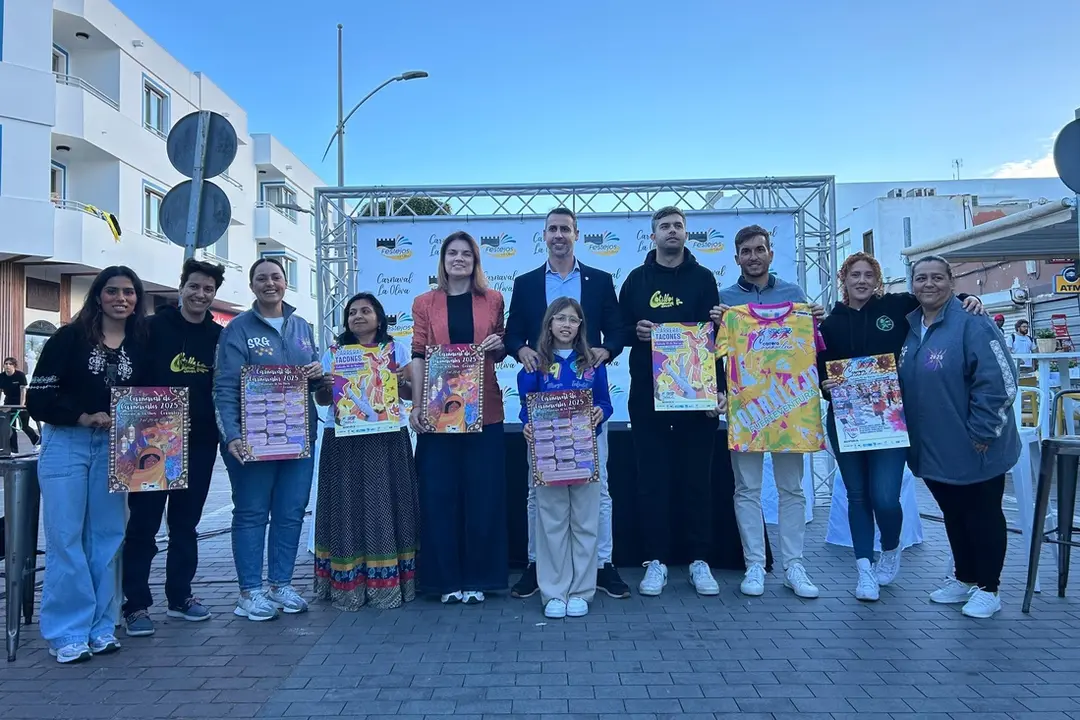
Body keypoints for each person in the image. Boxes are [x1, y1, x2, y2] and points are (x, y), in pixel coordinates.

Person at [816, 252, 981, 601]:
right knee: (857, 495)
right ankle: (864, 569)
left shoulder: (898, 307)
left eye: (868, 275)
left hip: (890, 422)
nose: (861, 281)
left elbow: (938, 299)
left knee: (886, 496)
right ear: (843, 281)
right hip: (847, 422)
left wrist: (970, 298)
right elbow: (819, 373)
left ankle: (890, 548)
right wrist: (825, 387)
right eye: (854, 275)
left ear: (877, 281)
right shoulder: (828, 325)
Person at [26, 266, 149, 664]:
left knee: (109, 537)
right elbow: (38, 399)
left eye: (129, 292)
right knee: (66, 538)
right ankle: (67, 632)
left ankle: (99, 626)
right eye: (112, 291)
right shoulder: (69, 338)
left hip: (120, 448)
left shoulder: (140, 342)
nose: (121, 298)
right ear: (97, 296)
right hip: (68, 445)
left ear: (137, 298)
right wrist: (81, 416)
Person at [505, 207, 628, 600]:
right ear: (544, 235)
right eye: (552, 229)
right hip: (544, 417)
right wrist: (523, 350)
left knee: (599, 491)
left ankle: (601, 566)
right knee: (538, 492)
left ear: (577, 234)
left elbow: (619, 328)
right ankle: (538, 565)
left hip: (586, 409)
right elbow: (512, 335)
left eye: (566, 229)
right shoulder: (525, 283)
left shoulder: (600, 279)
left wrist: (604, 353)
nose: (559, 235)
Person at [898, 255, 1020, 619]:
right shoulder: (911, 326)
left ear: (952, 281)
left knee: (982, 514)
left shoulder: (972, 322)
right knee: (954, 513)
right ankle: (965, 577)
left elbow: (1000, 380)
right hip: (933, 448)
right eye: (921, 278)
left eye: (937, 277)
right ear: (912, 285)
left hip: (975, 444)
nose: (929, 284)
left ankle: (989, 587)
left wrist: (983, 431)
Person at [712, 224, 824, 599]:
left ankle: (795, 564)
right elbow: (714, 356)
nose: (754, 257)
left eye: (760, 249)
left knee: (792, 489)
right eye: (746, 251)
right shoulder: (726, 302)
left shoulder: (796, 296)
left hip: (791, 410)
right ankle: (755, 564)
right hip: (747, 409)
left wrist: (815, 318)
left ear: (771, 253)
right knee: (747, 489)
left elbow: (815, 348)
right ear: (737, 257)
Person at [618, 206, 723, 597]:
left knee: (697, 480)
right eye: (664, 226)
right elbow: (617, 329)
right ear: (653, 235)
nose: (672, 232)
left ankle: (699, 560)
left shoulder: (704, 279)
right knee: (653, 481)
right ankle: (656, 560)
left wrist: (719, 389)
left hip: (696, 396)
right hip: (648, 399)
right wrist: (636, 331)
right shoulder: (635, 280)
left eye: (678, 225)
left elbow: (716, 339)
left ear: (686, 233)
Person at [214, 257, 323, 621]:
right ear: (252, 286)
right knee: (251, 513)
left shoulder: (302, 327)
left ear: (285, 282)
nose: (270, 283)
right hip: (253, 440)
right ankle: (249, 591)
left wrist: (319, 373)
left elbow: (318, 386)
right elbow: (225, 386)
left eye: (276, 277)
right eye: (262, 278)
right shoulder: (237, 330)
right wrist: (232, 436)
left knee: (291, 512)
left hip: (297, 438)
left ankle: (280, 584)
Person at [122, 259, 225, 636]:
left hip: (199, 441)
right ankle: (134, 604)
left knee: (186, 523)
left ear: (215, 294)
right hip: (149, 440)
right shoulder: (149, 329)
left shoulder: (218, 337)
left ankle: (180, 597)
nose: (200, 294)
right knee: (144, 524)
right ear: (181, 288)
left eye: (208, 289)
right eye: (194, 287)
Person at [409, 231, 508, 604]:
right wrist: (417, 406)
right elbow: (418, 355)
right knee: (439, 495)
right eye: (453, 253)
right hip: (437, 414)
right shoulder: (425, 302)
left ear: (476, 261)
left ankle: (481, 578)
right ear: (443, 259)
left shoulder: (494, 299)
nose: (459, 259)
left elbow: (499, 348)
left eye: (467, 254)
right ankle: (444, 580)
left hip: (486, 411)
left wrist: (499, 345)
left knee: (483, 496)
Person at [313, 292, 419, 610]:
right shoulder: (333, 353)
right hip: (344, 438)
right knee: (346, 505)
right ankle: (348, 584)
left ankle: (389, 582)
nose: (358, 316)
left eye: (366, 311)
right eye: (352, 312)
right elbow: (321, 401)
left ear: (379, 316)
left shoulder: (396, 350)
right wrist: (325, 387)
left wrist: (400, 381)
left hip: (386, 437)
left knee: (388, 503)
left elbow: (411, 394)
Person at [517, 298, 613, 618]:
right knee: (552, 522)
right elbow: (525, 405)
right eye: (560, 319)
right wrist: (528, 424)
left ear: (581, 327)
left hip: (586, 449)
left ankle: (581, 590)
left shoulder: (591, 364)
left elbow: (605, 402)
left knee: (585, 521)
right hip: (547, 451)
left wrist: (602, 412)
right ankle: (554, 590)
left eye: (573, 320)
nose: (567, 325)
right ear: (549, 324)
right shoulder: (535, 364)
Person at [1, 357, 39, 452]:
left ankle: (37, 441)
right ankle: (14, 449)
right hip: (9, 401)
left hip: (22, 401)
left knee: (24, 426)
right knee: (10, 426)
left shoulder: (20, 375)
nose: (7, 366)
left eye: (10, 364)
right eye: (6, 364)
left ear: (14, 366)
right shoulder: (1, 376)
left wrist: (21, 405)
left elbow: (23, 391)